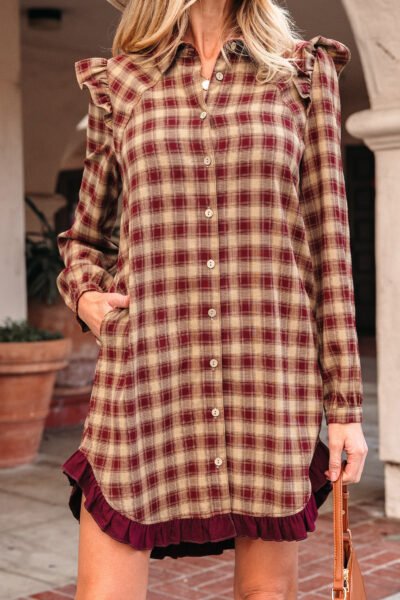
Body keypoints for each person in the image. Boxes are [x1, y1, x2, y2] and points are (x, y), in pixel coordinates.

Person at [56, 0, 368, 598]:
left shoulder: (301, 75)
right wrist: (86, 295)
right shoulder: (121, 83)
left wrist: (345, 409)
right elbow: (86, 236)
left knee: (265, 593)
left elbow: (329, 246)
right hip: (147, 376)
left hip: (269, 380)